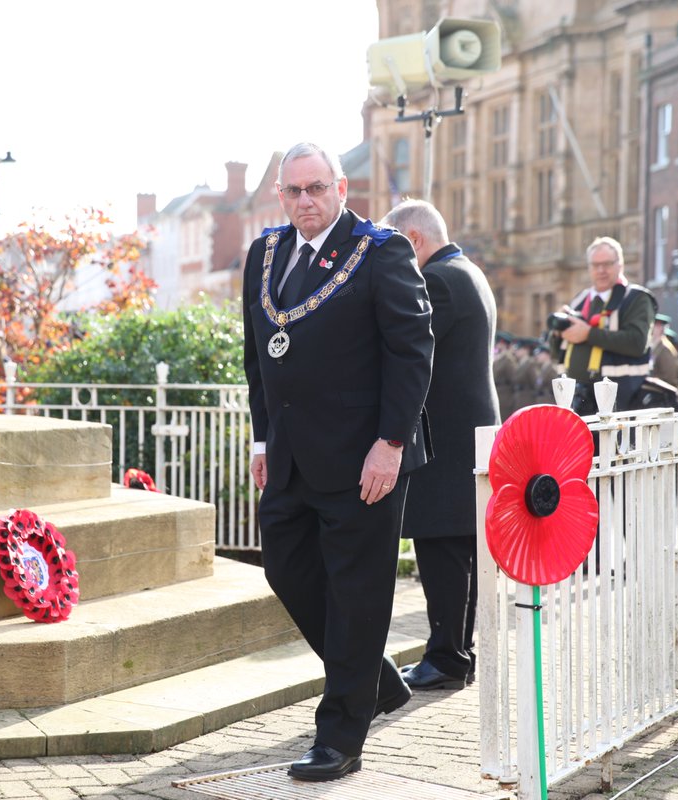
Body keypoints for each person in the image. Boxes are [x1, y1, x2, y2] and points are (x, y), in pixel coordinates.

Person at [242, 143, 434, 782]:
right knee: (286, 570)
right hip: (292, 457)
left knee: (357, 596)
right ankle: (375, 681)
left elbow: (412, 351)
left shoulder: (381, 252)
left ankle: (340, 737)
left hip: (365, 461)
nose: (305, 201)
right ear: (280, 194)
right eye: (293, 191)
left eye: (316, 188)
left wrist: (392, 443)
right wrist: (262, 439)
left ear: (342, 187)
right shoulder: (265, 255)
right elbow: (258, 358)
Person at [381, 199, 499, 693]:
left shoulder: (438, 280)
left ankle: (447, 657)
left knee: (442, 550)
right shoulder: (466, 271)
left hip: (446, 440)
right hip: (465, 435)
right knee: (458, 551)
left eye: (393, 250)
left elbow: (404, 346)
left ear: (413, 241)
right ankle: (455, 653)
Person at [547, 236, 656, 415]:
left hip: (621, 399)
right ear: (588, 268)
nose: (601, 270)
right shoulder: (580, 300)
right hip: (576, 398)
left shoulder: (636, 298)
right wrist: (557, 334)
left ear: (620, 265)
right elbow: (556, 354)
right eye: (595, 265)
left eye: (607, 264)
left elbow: (637, 343)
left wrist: (589, 334)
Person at [651, 313, 678, 389]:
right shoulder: (655, 346)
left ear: (661, 328)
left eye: (655, 326)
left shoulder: (665, 349)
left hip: (661, 392)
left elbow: (670, 377)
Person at [493, 332, 518, 420]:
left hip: (505, 396)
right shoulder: (498, 358)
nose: (498, 345)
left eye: (500, 343)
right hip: (498, 393)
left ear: (505, 345)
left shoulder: (508, 359)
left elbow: (514, 378)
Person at [511, 338, 538, 410]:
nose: (516, 351)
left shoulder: (530, 364)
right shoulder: (520, 363)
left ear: (526, 350)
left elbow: (535, 383)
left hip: (527, 399)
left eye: (519, 349)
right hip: (518, 398)